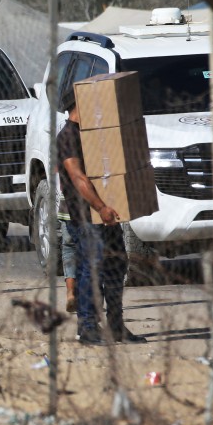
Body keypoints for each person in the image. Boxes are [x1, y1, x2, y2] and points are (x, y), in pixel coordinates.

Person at [57, 87, 144, 345]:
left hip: (106, 214)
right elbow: (78, 178)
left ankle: (116, 327)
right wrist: (100, 207)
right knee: (92, 269)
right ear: (78, 107)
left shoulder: (92, 135)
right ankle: (87, 328)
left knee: (116, 267)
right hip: (86, 216)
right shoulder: (68, 136)